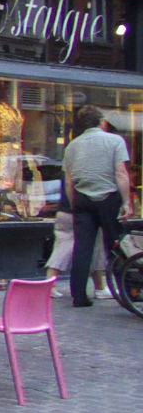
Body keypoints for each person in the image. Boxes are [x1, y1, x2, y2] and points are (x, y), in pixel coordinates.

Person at [63, 105, 132, 307]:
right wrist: (126, 201)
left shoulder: (72, 146)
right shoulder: (115, 141)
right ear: (101, 122)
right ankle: (127, 291)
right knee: (116, 245)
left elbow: (69, 181)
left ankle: (79, 296)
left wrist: (74, 203)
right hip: (109, 197)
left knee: (82, 248)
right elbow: (121, 173)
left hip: (83, 198)